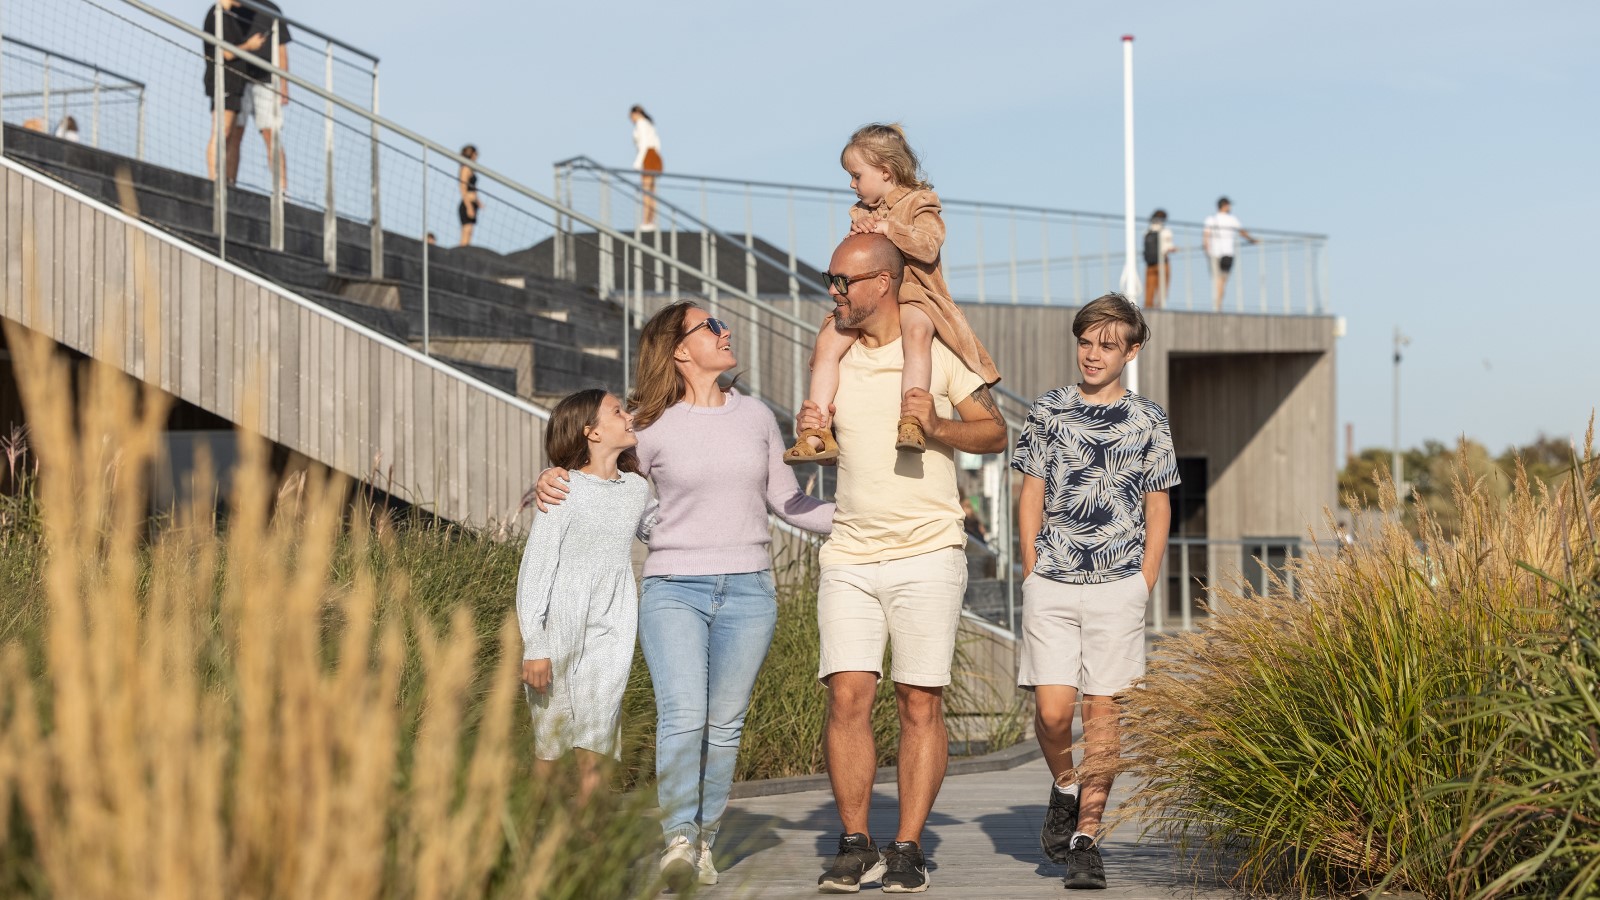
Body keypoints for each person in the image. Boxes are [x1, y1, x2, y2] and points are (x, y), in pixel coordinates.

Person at [533, 302, 834, 892]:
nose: (725, 333)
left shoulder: (756, 417)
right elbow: (594, 478)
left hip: (750, 590)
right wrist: (546, 479)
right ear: (678, 349)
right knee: (683, 716)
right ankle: (676, 836)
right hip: (673, 589)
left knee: (724, 725)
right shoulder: (647, 425)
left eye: (722, 325)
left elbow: (790, 503)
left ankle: (704, 843)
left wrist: (868, 515)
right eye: (710, 327)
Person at [797, 232, 1007, 893]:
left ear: (882, 284)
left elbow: (996, 432)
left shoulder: (936, 353)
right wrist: (815, 429)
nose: (833, 292)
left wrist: (940, 426)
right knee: (847, 695)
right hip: (850, 552)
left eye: (843, 281)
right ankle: (855, 842)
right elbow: (826, 438)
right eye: (829, 279)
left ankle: (908, 847)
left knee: (919, 701)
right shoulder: (830, 350)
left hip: (928, 551)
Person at [1011, 293, 1178, 891]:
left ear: (1132, 352)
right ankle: (1063, 784)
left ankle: (1087, 837)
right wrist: (1031, 567)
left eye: (1108, 345)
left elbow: (1158, 505)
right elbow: (1030, 493)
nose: (1093, 354)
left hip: (1119, 586)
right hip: (1052, 580)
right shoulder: (1049, 410)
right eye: (1086, 342)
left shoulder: (1149, 420)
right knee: (1054, 712)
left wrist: (1144, 580)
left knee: (1102, 716)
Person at [786, 124, 999, 466]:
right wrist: (858, 235)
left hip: (916, 294)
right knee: (827, 340)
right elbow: (858, 259)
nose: (852, 185)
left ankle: (911, 420)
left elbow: (929, 248)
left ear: (885, 172)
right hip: (876, 303)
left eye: (856, 176)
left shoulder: (921, 202)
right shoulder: (860, 211)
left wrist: (889, 229)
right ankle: (816, 431)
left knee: (916, 333)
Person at [516, 389, 655, 805]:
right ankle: (527, 837)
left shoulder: (636, 489)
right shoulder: (562, 487)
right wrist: (535, 645)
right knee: (551, 739)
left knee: (598, 726)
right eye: (617, 411)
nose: (628, 416)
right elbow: (535, 571)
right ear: (590, 432)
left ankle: (586, 836)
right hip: (559, 622)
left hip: (613, 621)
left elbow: (658, 528)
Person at [201, 0, 266, 185]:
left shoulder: (229, 15)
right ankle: (214, 179)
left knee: (230, 132)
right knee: (222, 130)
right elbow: (226, 52)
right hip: (223, 81)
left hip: (235, 82)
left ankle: (227, 180)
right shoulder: (217, 14)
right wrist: (250, 46)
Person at [238, 0, 292, 189]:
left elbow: (282, 51)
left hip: (267, 81)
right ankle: (229, 183)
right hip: (239, 80)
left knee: (272, 135)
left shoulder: (272, 10)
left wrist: (283, 85)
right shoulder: (236, 6)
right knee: (235, 134)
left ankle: (282, 190)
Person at [1202, 196, 1257, 310]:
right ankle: (1218, 303)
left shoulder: (1211, 219)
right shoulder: (1232, 219)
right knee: (1222, 280)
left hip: (1214, 253)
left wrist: (1206, 248)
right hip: (1227, 252)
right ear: (1225, 205)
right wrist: (1252, 240)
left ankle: (1218, 303)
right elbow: (1242, 232)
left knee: (1218, 279)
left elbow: (1206, 236)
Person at [630, 105, 662, 231]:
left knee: (646, 191)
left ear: (636, 113)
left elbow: (643, 144)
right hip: (653, 156)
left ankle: (646, 222)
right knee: (652, 191)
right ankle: (650, 221)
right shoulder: (650, 124)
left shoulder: (641, 124)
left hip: (646, 158)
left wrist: (638, 162)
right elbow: (657, 143)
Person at [1141, 209, 1174, 309]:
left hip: (1150, 263)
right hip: (1163, 262)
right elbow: (1168, 247)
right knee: (1162, 287)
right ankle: (1160, 306)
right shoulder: (1166, 231)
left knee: (1149, 287)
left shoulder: (1147, 231)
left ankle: (1148, 307)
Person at [458, 145, 481, 246]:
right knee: (466, 233)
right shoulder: (465, 168)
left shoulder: (471, 169)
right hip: (467, 204)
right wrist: (469, 206)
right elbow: (462, 188)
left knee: (470, 232)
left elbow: (474, 188)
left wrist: (478, 202)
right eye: (475, 154)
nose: (477, 156)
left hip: (473, 203)